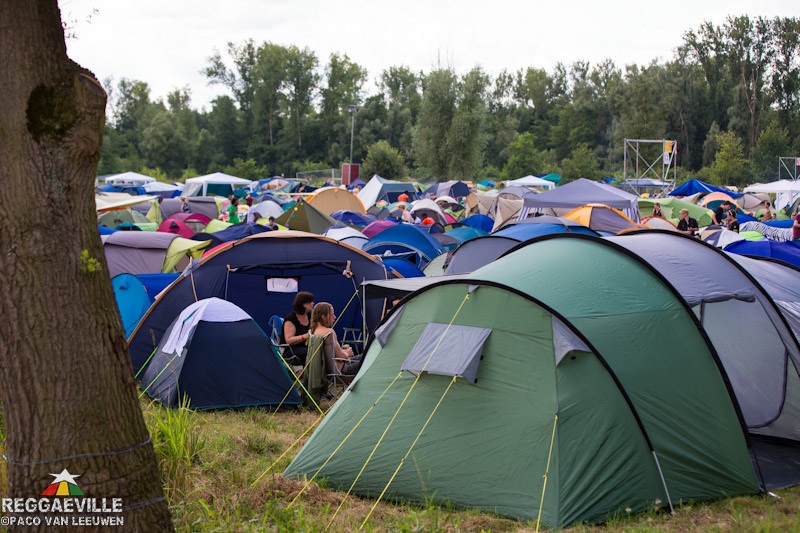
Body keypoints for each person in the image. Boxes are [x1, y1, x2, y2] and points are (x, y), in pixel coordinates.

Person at [309, 302, 359, 374]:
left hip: (327, 371)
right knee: (368, 359)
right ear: (323, 317)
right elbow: (341, 356)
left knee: (363, 356)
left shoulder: (313, 332)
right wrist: (348, 353)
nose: (335, 317)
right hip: (342, 370)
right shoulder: (329, 332)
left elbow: (334, 354)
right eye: (332, 315)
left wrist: (344, 354)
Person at [281, 292, 315, 365]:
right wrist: (305, 336)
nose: (313, 303)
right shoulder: (291, 318)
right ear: (304, 304)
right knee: (313, 352)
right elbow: (289, 340)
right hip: (291, 349)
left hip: (306, 347)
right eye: (310, 302)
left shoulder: (310, 316)